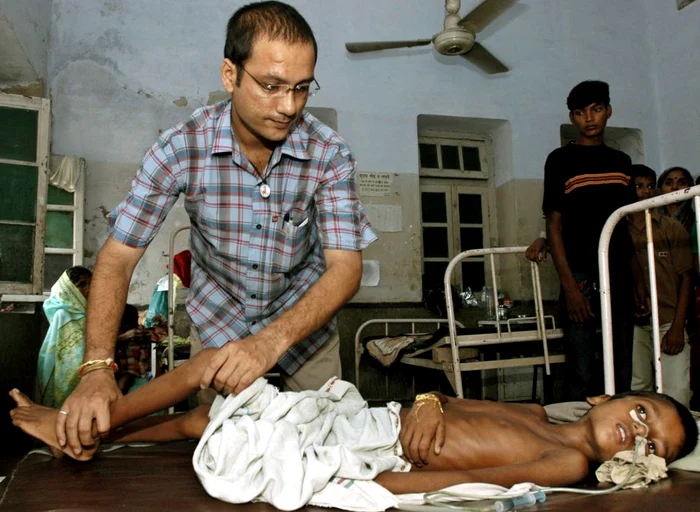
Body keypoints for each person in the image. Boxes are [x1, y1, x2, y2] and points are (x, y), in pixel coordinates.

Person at [57, 1, 376, 457]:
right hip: (219, 321)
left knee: (327, 449)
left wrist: (270, 341)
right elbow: (117, 258)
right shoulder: (180, 148)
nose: (288, 106)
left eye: (301, 89)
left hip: (305, 329)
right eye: (271, 86)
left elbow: (345, 269)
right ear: (231, 75)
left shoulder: (328, 153)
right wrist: (96, 370)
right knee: (218, 452)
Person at [9, 345, 698, 494]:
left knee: (210, 393)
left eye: (650, 442)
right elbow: (450, 400)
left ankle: (84, 430)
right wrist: (428, 404)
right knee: (209, 408)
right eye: (642, 412)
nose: (636, 431)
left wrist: (372, 494)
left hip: (370, 448)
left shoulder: (570, 463)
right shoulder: (539, 411)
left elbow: (480, 483)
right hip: (381, 415)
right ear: (610, 395)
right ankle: (96, 434)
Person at [542, 80, 642, 401]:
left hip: (620, 276)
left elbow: (628, 225)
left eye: (596, 110)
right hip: (581, 276)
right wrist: (570, 288)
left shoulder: (622, 162)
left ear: (608, 111)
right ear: (572, 118)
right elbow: (554, 226)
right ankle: (579, 443)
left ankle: (624, 440)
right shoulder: (560, 160)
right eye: (580, 112)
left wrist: (638, 281)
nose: (589, 118)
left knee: (621, 366)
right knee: (582, 371)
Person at [627, 164, 692, 408]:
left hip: (668, 319)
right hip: (633, 323)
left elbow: (686, 277)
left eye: (649, 186)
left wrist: (677, 327)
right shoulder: (617, 229)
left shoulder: (670, 228)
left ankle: (681, 441)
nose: (645, 192)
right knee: (637, 390)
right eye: (637, 186)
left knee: (677, 393)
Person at [37, 266, 92, 408]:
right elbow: (74, 352)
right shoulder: (64, 315)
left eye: (91, 284)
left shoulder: (87, 313)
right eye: (82, 285)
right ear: (69, 290)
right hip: (70, 377)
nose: (89, 289)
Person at [657, 166, 695, 234]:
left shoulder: (696, 220)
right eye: (669, 183)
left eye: (682, 183)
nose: (675, 187)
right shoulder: (649, 220)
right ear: (659, 189)